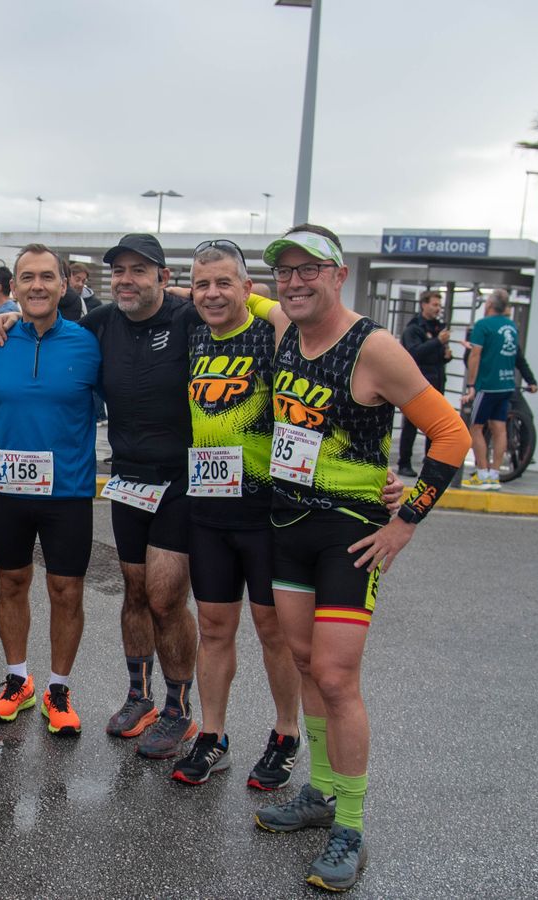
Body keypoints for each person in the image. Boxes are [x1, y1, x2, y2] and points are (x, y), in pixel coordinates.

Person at [253, 226, 469, 892]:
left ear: (338, 275)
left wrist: (406, 523)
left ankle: (349, 826)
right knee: (302, 662)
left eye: (309, 270)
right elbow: (222, 293)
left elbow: (451, 435)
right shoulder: (284, 325)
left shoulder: (374, 347)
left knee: (337, 677)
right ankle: (319, 794)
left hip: (349, 534)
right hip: (287, 522)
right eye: (285, 272)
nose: (295, 282)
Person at [174, 239, 303, 789]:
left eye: (224, 282)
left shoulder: (273, 332)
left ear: (248, 288)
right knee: (213, 626)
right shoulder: (194, 332)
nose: (212, 294)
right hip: (208, 510)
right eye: (202, 284)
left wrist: (266, 303)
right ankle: (213, 734)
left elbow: (289, 319)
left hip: (267, 511)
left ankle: (286, 733)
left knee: (274, 630)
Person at [82, 234, 203, 760]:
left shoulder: (189, 317)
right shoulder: (101, 322)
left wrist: (202, 292)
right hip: (128, 478)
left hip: (183, 479)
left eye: (139, 270)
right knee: (134, 591)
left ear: (163, 277)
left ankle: (179, 708)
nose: (126, 280)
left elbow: (257, 312)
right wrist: (7, 318)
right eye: (119, 271)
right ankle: (140, 697)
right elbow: (46, 327)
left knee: (165, 596)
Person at [0, 244, 100, 735]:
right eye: (27, 277)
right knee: (11, 583)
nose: (37, 285)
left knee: (66, 591)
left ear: (64, 284)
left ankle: (59, 688)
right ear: (14, 286)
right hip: (4, 486)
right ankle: (17, 681)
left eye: (47, 276)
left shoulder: (88, 343)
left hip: (67, 490)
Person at [462, 289, 520, 490]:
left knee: (475, 428)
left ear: (489, 305)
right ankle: (494, 475)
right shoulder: (511, 326)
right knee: (499, 429)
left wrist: (471, 385)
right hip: (506, 384)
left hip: (487, 385)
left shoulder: (483, 325)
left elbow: (475, 355)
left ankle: (482, 474)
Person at [397, 290, 451, 477]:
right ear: (424, 304)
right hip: (417, 384)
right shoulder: (413, 329)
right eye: (434, 305)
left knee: (434, 426)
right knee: (411, 424)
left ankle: (430, 463)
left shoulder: (438, 328)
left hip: (437, 382)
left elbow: (436, 356)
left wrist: (446, 355)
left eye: (439, 305)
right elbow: (414, 353)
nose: (438, 309)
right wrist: (437, 342)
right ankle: (404, 463)